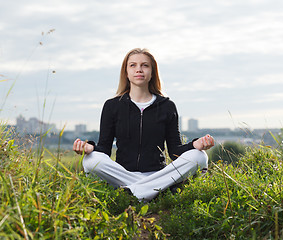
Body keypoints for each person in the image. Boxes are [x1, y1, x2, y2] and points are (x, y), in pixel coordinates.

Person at [73, 48, 214, 201]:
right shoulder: (112, 106)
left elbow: (175, 152)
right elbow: (104, 149)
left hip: (157, 174)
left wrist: (195, 145)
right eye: (132, 65)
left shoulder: (167, 106)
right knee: (90, 160)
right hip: (122, 174)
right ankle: (153, 191)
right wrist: (89, 147)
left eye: (145, 65)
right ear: (126, 72)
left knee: (200, 157)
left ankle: (132, 192)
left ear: (152, 72)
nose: (139, 69)